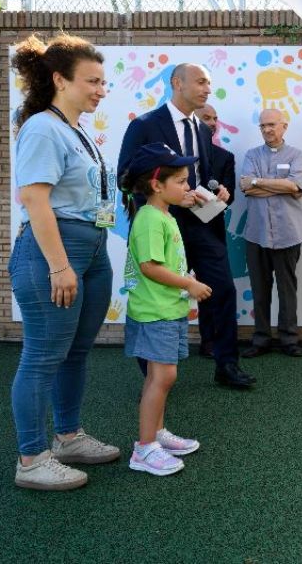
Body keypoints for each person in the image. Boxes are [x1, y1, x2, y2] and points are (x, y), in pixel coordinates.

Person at [9, 34, 120, 491]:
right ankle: (32, 459)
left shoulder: (75, 130)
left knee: (75, 351)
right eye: (92, 81)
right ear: (59, 79)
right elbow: (35, 199)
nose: (100, 89)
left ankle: (69, 437)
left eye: (103, 81)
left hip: (90, 250)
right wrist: (58, 265)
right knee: (42, 356)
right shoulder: (41, 127)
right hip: (55, 253)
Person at [118, 63, 255, 389]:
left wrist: (218, 189)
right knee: (159, 296)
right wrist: (165, 200)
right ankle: (151, 377)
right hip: (162, 226)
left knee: (221, 290)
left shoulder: (202, 130)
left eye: (209, 83)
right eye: (201, 82)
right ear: (177, 83)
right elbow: (126, 176)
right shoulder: (144, 126)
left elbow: (203, 175)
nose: (208, 88)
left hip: (204, 226)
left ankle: (226, 364)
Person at [120, 143, 209, 475]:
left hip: (167, 310)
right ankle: (144, 449)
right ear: (157, 185)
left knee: (159, 377)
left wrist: (185, 277)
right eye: (181, 181)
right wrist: (188, 284)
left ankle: (155, 434)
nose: (187, 187)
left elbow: (164, 263)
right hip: (155, 312)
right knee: (164, 376)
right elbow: (149, 267)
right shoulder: (149, 219)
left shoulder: (162, 216)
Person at [239, 109, 302, 358]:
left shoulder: (296, 155)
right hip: (256, 234)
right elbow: (245, 186)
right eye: (262, 125)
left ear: (284, 127)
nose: (267, 129)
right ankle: (261, 339)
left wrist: (258, 182)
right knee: (260, 288)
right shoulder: (251, 154)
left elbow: (294, 186)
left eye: (271, 124)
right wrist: (279, 187)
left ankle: (289, 339)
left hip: (288, 233)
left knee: (287, 289)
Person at [194, 104, 236, 359]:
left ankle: (211, 341)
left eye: (214, 118)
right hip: (173, 230)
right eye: (205, 118)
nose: (212, 122)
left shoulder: (225, 157)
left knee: (213, 288)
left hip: (210, 232)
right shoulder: (174, 155)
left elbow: (227, 199)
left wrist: (199, 205)